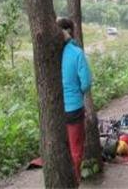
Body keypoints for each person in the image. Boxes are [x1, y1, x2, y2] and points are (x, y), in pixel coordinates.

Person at [57, 17, 92, 183]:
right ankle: (75, 181)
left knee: (63, 146)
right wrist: (78, 91)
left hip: (57, 109)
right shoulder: (76, 53)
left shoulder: (53, 54)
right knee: (76, 149)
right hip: (74, 108)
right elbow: (86, 82)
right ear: (72, 32)